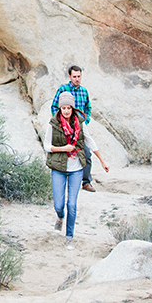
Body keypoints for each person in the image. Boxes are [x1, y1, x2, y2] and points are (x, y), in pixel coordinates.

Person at [44, 92, 109, 250]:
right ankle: (60, 218)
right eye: (63, 108)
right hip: (59, 168)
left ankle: (69, 237)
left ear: (73, 108)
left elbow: (90, 141)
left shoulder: (80, 123)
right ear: (60, 108)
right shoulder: (53, 124)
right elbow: (47, 146)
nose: (66, 111)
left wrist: (102, 160)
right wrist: (63, 148)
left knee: (71, 204)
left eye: (69, 108)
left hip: (76, 168)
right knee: (59, 204)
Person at [51, 65, 95, 192]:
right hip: (64, 128)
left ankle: (86, 182)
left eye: (79, 76)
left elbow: (88, 108)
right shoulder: (63, 89)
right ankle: (61, 182)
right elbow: (54, 106)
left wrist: (84, 121)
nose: (77, 79)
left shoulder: (84, 91)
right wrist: (60, 122)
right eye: (74, 76)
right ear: (69, 77)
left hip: (79, 129)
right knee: (62, 154)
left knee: (86, 154)